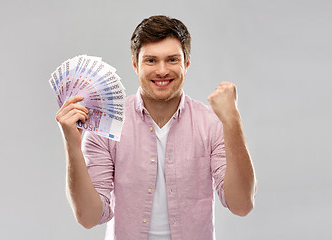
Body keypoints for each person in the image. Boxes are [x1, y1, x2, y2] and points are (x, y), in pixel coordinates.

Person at [56, 15, 256, 240]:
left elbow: (241, 205)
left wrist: (232, 122)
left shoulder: (211, 124)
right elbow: (89, 218)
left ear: (186, 63)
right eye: (151, 60)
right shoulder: (107, 126)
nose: (162, 71)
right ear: (135, 64)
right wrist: (72, 146)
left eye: (172, 60)